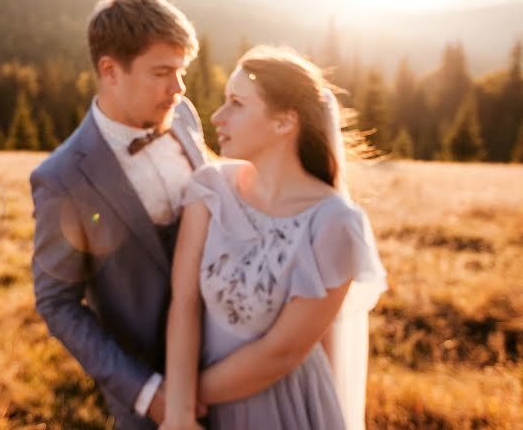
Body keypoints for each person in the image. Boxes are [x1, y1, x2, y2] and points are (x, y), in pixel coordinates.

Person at [162, 46, 387, 430]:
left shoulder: (336, 224)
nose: (217, 116)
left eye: (237, 103)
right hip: (195, 409)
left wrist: (184, 397)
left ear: (284, 123)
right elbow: (183, 303)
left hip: (284, 410)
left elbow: (279, 353)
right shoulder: (209, 189)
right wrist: (179, 412)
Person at [30, 0, 209, 430]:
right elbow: (58, 303)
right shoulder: (62, 178)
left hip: (232, 366)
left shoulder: (184, 115)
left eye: (182, 70)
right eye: (162, 72)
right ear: (110, 70)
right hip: (154, 397)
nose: (179, 87)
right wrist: (147, 393)